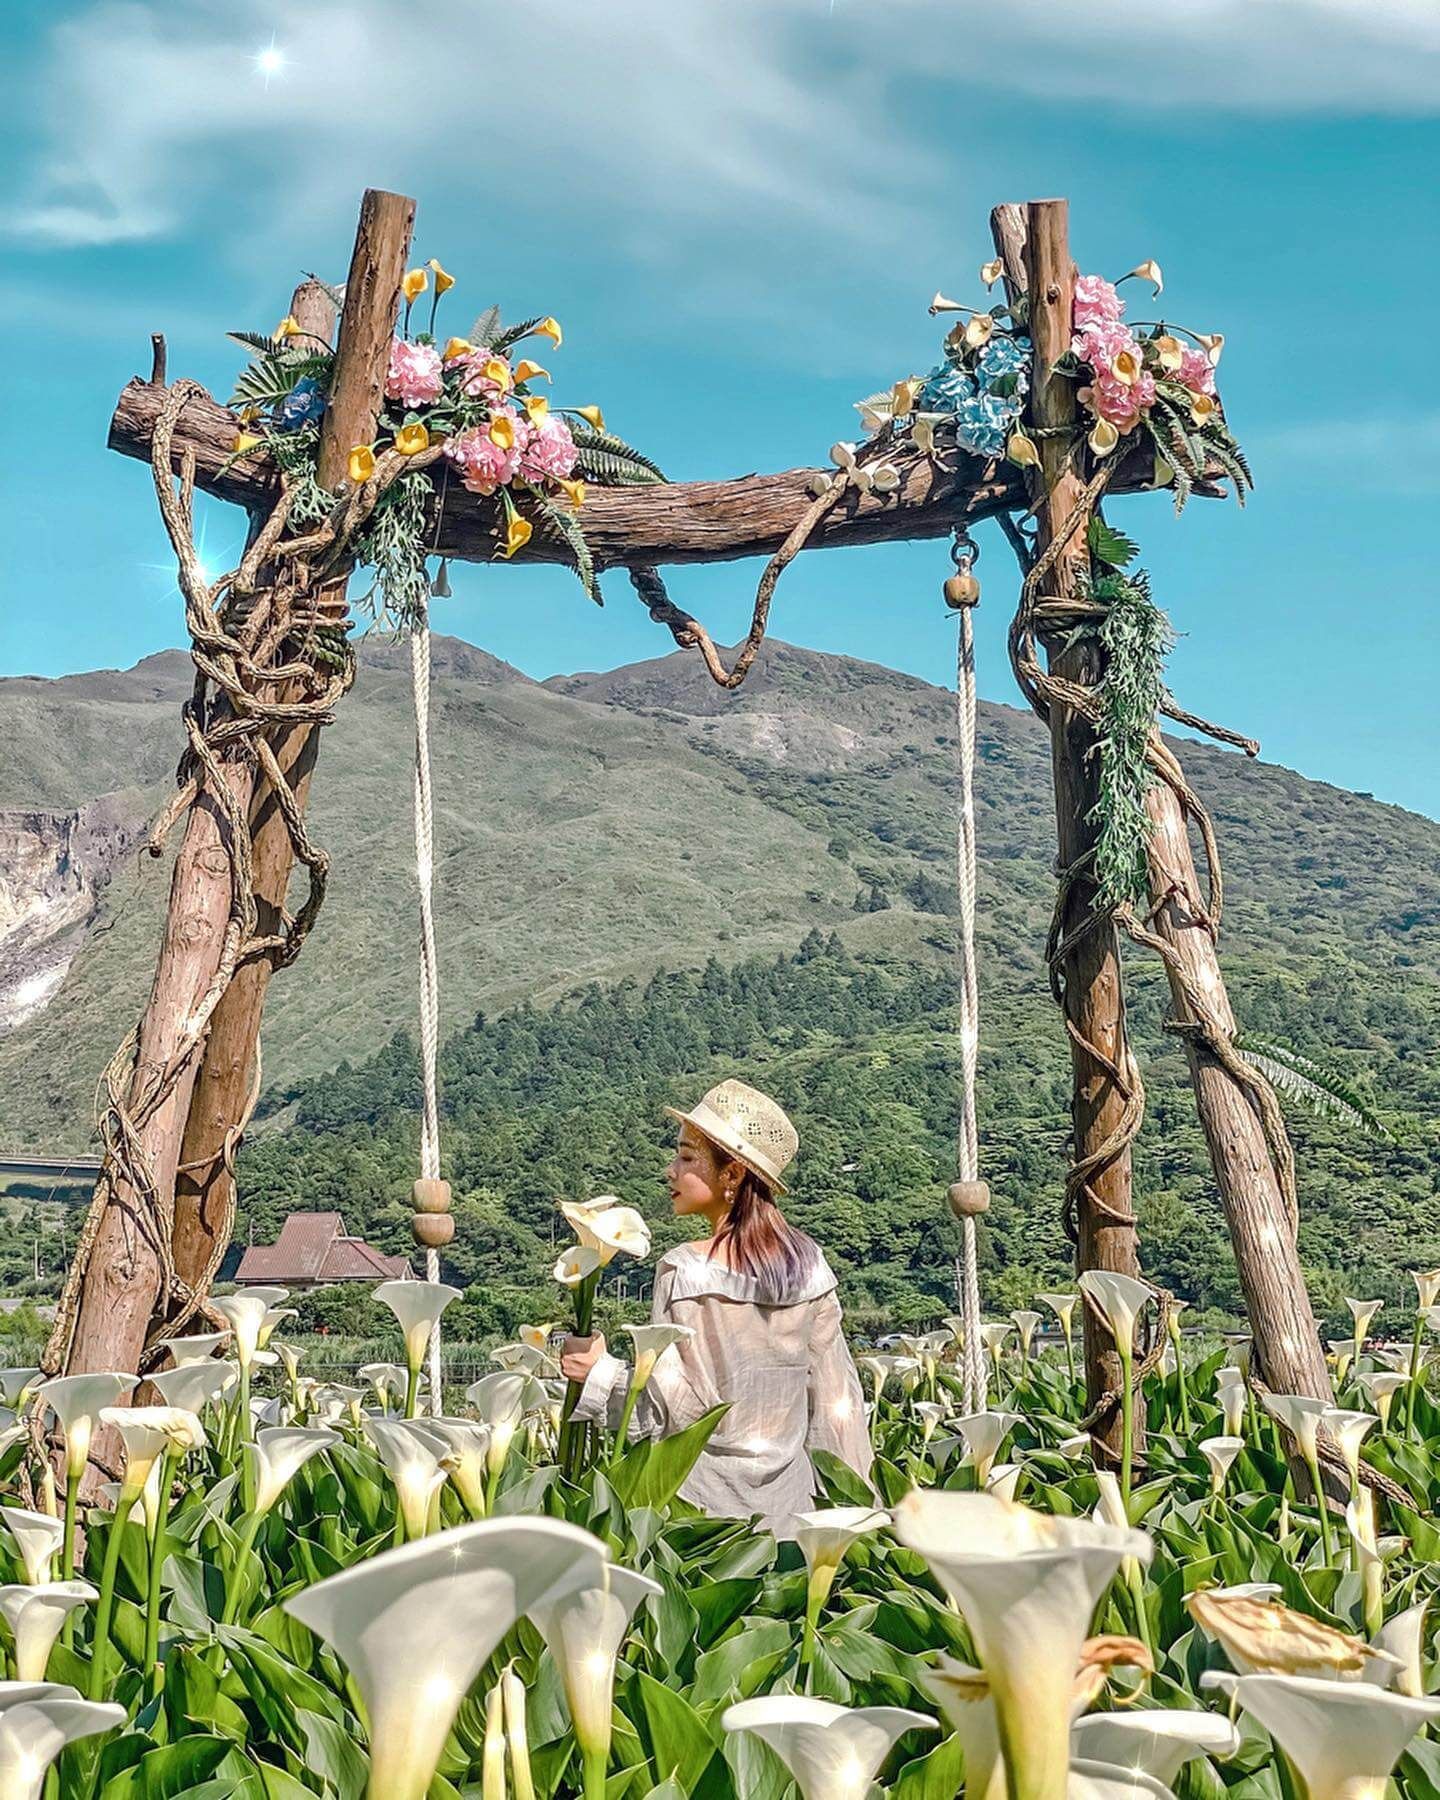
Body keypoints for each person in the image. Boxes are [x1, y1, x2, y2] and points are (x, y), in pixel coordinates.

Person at [561, 1079, 874, 1539]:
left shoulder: (685, 1271)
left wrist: (599, 1372)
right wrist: (860, 1518)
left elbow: (674, 1411)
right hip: (792, 1519)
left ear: (732, 1175)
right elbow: (836, 1404)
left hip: (702, 1523)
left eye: (687, 1157)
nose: (670, 1171)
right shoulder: (810, 1268)